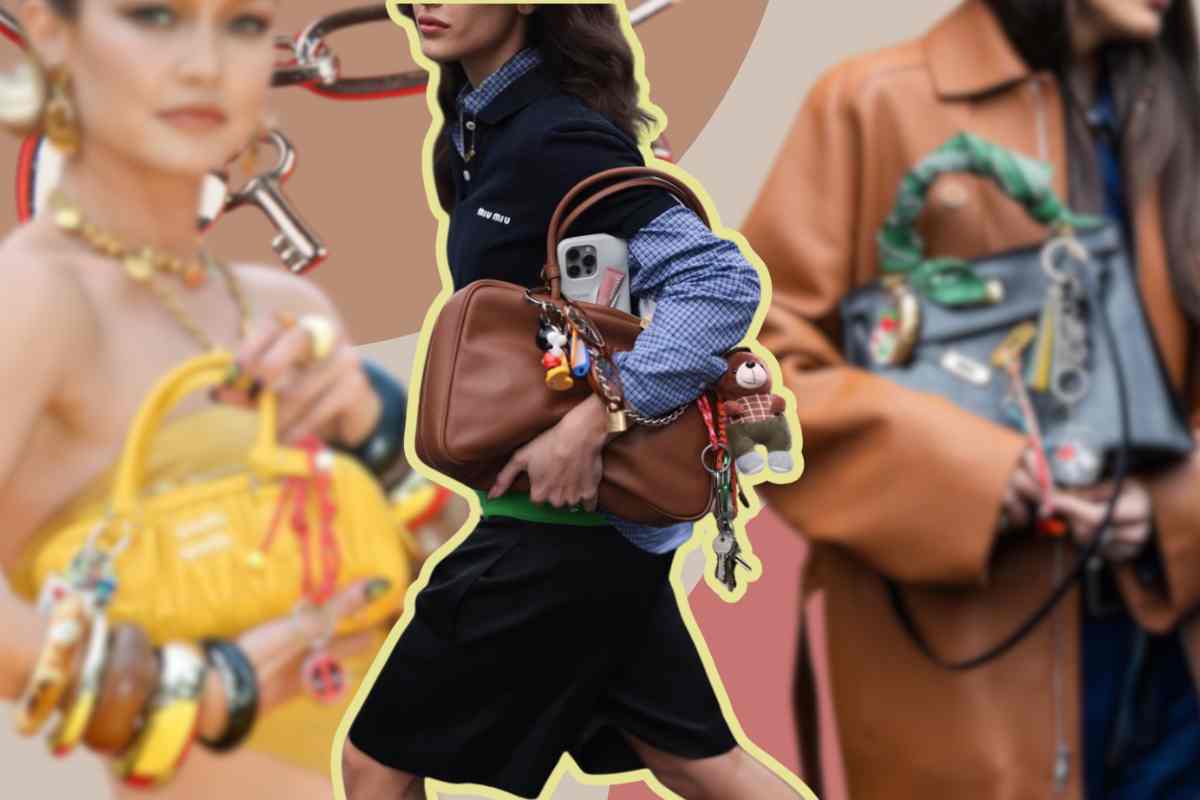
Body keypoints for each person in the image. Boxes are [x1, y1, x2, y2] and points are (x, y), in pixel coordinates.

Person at [0, 0, 467, 797]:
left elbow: (465, 609)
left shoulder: (283, 307)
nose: (204, 64)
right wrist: (178, 695)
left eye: (243, 24)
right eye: (153, 15)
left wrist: (376, 440)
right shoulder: (37, 299)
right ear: (50, 30)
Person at [342, 5, 805, 800]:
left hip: (560, 528)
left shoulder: (555, 138)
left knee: (375, 763)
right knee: (698, 764)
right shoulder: (479, 136)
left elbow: (718, 282)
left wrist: (600, 416)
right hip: (587, 529)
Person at [741, 0, 1200, 798]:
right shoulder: (872, 103)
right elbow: (751, 378)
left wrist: (1174, 504)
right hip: (971, 678)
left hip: (1174, 677)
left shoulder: (1181, 115)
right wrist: (975, 472)